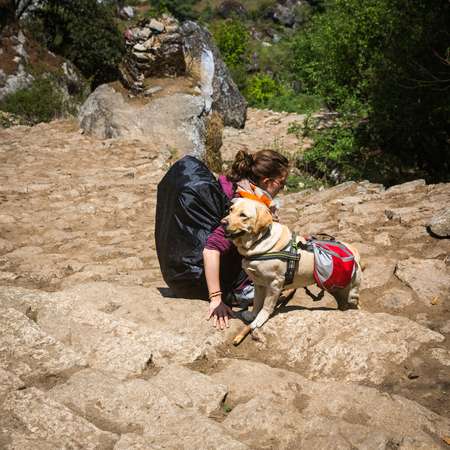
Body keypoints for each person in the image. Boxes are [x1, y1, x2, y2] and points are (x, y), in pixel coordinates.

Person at [204, 149, 289, 330]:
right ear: (267, 182)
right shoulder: (243, 206)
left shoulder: (241, 189)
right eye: (281, 183)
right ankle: (239, 293)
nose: (283, 187)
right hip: (236, 282)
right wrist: (216, 299)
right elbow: (211, 248)